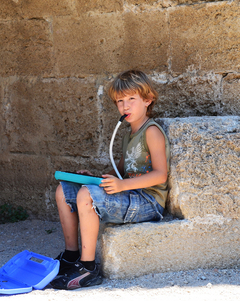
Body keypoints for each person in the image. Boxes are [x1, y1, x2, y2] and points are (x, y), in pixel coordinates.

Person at [50, 70, 170, 290]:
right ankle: (71, 256)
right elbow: (121, 172)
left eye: (132, 99)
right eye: (120, 101)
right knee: (63, 190)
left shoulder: (151, 132)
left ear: (147, 100)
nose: (125, 106)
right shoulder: (128, 136)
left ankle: (88, 268)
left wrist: (122, 185)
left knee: (86, 196)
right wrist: (94, 179)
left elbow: (160, 174)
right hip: (129, 195)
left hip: (148, 202)